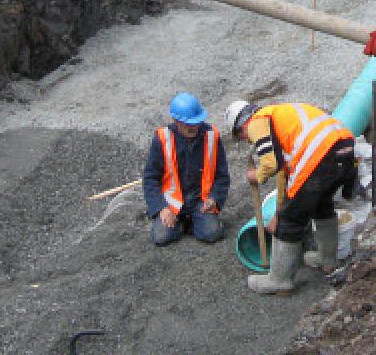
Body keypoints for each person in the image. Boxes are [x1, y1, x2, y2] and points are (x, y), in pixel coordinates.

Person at [224, 100, 357, 294]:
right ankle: (327, 260)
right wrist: (279, 209)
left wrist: (257, 176)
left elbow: (270, 164)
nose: (248, 140)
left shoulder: (256, 122)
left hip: (319, 157)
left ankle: (279, 280)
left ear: (240, 126)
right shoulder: (281, 115)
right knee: (322, 206)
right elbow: (285, 179)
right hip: (345, 150)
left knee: (290, 220)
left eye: (243, 137)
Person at [143, 92, 230, 246]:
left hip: (200, 201)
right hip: (173, 203)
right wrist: (161, 208)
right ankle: (183, 223)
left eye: (197, 122)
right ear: (176, 121)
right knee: (161, 237)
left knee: (212, 233)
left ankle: (193, 222)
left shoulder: (212, 136)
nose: (194, 127)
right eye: (189, 124)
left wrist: (214, 199)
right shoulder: (162, 139)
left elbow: (222, 176)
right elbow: (150, 179)